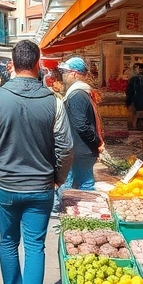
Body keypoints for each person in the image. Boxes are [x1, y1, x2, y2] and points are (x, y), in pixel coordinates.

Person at [0, 40, 74, 284]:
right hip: (41, 188)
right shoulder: (54, 101)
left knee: (7, 242)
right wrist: (58, 178)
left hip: (4, 186)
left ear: (13, 64)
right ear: (38, 63)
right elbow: (65, 149)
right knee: (35, 246)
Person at [54, 57, 102, 209]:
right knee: (83, 185)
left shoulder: (77, 95)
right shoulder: (80, 93)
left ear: (74, 74)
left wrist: (96, 142)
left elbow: (81, 125)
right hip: (82, 150)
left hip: (79, 150)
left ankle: (72, 214)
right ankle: (78, 214)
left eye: (65, 72)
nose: (63, 75)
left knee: (76, 187)